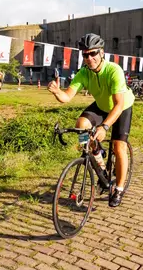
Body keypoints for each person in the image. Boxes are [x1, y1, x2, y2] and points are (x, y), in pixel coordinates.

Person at [47, 33, 135, 208]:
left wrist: (104, 127)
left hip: (121, 107)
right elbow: (67, 97)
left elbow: (118, 105)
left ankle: (118, 188)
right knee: (81, 126)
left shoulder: (114, 70)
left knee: (119, 147)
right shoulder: (84, 73)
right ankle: (98, 159)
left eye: (93, 53)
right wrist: (57, 92)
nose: (89, 58)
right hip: (102, 106)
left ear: (101, 53)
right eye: (85, 54)